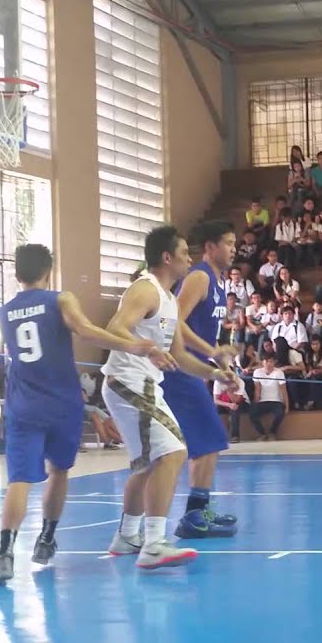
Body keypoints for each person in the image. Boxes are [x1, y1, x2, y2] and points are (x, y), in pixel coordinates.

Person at [0, 244, 158, 585]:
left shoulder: (5, 312)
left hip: (23, 403)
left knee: (19, 481)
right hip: (61, 401)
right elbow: (86, 330)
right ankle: (46, 538)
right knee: (59, 472)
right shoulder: (60, 300)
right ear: (49, 270)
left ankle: (4, 554)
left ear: (16, 274)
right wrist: (131, 345)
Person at [102, 226, 233, 569]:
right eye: (184, 253)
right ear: (166, 257)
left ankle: (128, 535)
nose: (190, 259)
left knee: (146, 464)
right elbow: (116, 328)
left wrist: (215, 373)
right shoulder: (145, 290)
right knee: (174, 452)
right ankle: (154, 543)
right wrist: (144, 349)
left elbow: (182, 357)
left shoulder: (170, 300)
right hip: (128, 381)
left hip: (143, 384)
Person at [163, 221, 241, 540]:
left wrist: (220, 359)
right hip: (178, 369)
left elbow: (209, 334)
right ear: (210, 247)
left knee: (209, 441)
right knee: (209, 437)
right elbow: (174, 322)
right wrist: (211, 351)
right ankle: (193, 516)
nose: (234, 248)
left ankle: (199, 510)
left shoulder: (220, 284)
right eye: (228, 242)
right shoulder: (199, 277)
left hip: (195, 367)